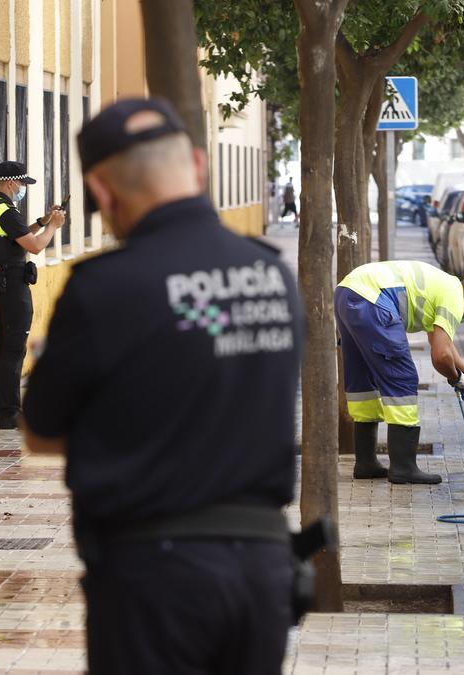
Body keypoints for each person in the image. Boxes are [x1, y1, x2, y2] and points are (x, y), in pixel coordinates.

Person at [22, 98, 304, 674]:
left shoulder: (105, 289)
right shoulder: (272, 274)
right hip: (262, 568)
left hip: (155, 575)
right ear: (198, 166)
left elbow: (40, 432)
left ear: (102, 192)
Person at [336, 260, 464, 484]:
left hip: (347, 291)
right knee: (403, 378)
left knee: (363, 380)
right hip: (373, 300)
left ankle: (366, 463)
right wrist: (455, 378)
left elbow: (442, 343)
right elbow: (440, 355)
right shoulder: (455, 300)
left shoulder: (445, 285)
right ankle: (403, 467)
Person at [0, 160, 64, 429]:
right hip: (12, 286)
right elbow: (34, 246)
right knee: (13, 349)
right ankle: (11, 413)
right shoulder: (7, 212)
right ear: (12, 182)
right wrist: (53, 227)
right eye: (23, 183)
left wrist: (41, 222)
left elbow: (14, 236)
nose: (24, 188)